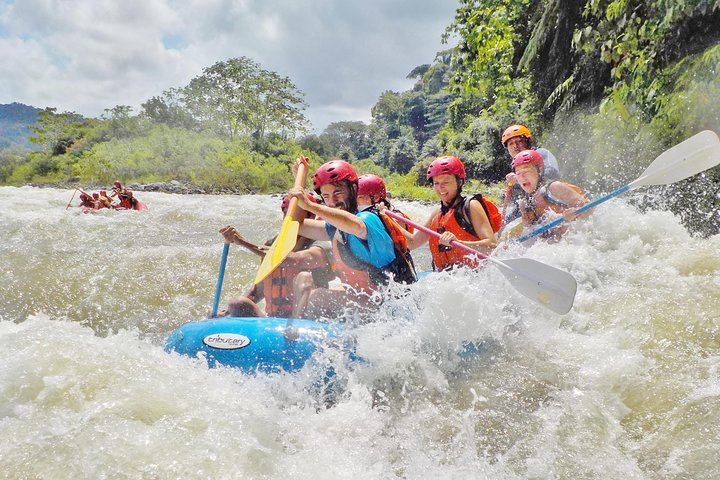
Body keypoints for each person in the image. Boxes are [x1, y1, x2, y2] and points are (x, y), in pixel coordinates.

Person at [286, 156, 416, 320]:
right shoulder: (335, 227)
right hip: (370, 304)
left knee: (317, 298)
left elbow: (356, 226)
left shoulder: (368, 219)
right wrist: (299, 184)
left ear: (354, 190)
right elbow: (296, 225)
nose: (332, 201)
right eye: (326, 196)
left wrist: (311, 206)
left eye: (337, 193)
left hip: (390, 308)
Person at [216, 193, 333, 318]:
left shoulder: (321, 242)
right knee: (237, 303)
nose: (289, 219)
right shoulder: (273, 243)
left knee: (303, 277)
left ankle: (295, 326)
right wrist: (227, 313)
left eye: (294, 215)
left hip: (310, 318)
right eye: (286, 214)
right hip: (275, 319)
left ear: (309, 216)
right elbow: (260, 289)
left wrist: (243, 242)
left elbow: (295, 260)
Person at [403, 156, 500, 272]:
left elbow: (491, 246)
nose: (440, 188)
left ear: (459, 182)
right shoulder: (437, 212)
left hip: (475, 278)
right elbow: (412, 243)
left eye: (446, 182)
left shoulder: (471, 206)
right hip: (446, 280)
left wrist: (459, 243)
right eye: (436, 183)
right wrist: (387, 218)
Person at [511, 149, 588, 240]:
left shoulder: (554, 188)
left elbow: (589, 207)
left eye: (526, 171)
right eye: (518, 174)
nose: (522, 177)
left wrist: (576, 212)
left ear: (539, 170)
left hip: (577, 239)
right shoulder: (524, 205)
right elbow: (529, 236)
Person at [501, 123, 561, 223]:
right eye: (511, 144)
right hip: (535, 211)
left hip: (553, 201)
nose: (515, 146)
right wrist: (504, 223)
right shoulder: (516, 167)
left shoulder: (541, 153)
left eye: (519, 141)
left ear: (527, 142)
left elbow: (552, 173)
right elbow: (520, 206)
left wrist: (519, 178)